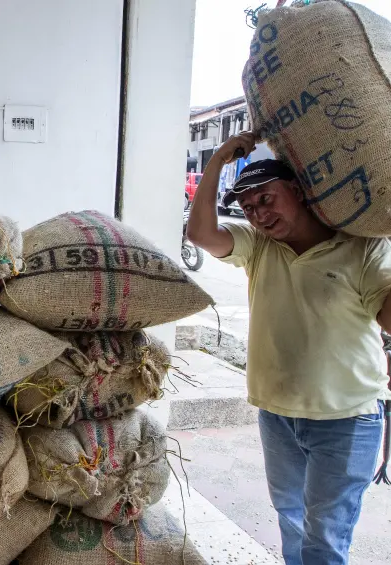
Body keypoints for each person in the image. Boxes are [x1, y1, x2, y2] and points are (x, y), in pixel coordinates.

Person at [187, 132, 391, 565]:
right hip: (277, 415)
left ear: (297, 191)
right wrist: (220, 159)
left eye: (266, 198)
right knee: (291, 520)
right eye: (249, 208)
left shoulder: (362, 246)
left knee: (325, 537)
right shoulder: (260, 247)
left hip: (346, 420)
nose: (259, 214)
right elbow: (201, 233)